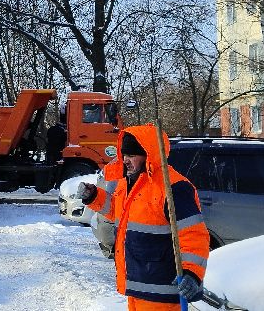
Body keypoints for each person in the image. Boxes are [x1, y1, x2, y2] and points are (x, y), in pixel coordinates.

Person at [79, 125, 209, 310]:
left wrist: (192, 273)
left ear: (148, 155)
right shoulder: (128, 183)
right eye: (124, 155)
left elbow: (194, 235)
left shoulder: (173, 188)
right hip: (137, 285)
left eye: (132, 155)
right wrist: (94, 197)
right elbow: (119, 212)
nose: (125, 160)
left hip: (162, 292)